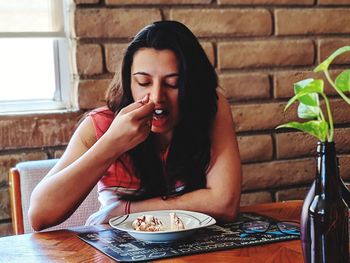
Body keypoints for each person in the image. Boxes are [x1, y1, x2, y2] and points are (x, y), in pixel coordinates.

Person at [28, 20, 242, 231]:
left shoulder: (210, 108)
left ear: (193, 86)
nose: (157, 96)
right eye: (143, 82)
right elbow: (39, 216)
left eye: (172, 84)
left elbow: (224, 204)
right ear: (129, 83)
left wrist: (126, 209)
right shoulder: (100, 125)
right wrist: (112, 144)